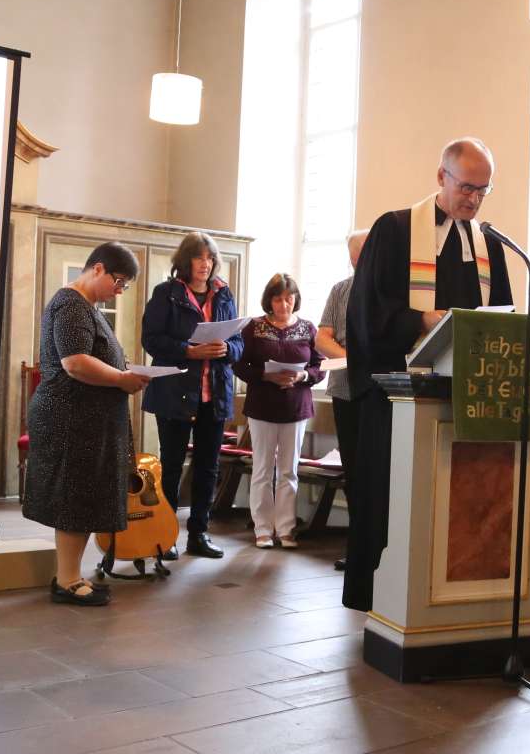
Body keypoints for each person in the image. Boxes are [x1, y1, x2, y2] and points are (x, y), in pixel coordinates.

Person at [341, 137, 514, 610]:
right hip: (398, 395)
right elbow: (366, 313)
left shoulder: (489, 245)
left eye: (484, 190)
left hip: (463, 398)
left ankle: (452, 594)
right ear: (442, 177)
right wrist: (420, 320)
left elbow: (498, 316)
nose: (474, 199)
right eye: (466, 187)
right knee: (393, 500)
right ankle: (383, 595)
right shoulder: (395, 231)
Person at [22, 243, 148, 606]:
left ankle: (71, 575)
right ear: (98, 269)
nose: (119, 290)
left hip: (86, 420)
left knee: (83, 497)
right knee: (74, 499)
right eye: (119, 281)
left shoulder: (85, 308)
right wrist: (123, 380)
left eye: (124, 285)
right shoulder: (70, 305)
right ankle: (67, 581)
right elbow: (75, 362)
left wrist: (124, 374)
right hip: (70, 418)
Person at [141, 232, 242, 560]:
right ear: (185, 262)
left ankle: (198, 533)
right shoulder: (165, 293)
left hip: (215, 394)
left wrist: (227, 348)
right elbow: (151, 340)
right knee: (171, 466)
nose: (205, 264)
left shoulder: (224, 295)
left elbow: (240, 344)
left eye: (210, 258)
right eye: (199, 258)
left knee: (208, 467)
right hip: (175, 391)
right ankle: (165, 534)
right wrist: (189, 351)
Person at [233, 274, 323, 548]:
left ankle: (285, 529)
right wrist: (265, 375)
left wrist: (302, 377)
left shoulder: (308, 328)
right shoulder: (254, 328)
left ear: (295, 299)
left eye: (289, 298)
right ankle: (262, 529)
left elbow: (319, 367)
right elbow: (238, 364)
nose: (284, 304)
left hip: (296, 407)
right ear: (269, 301)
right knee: (262, 468)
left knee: (288, 470)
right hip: (262, 406)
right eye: (278, 298)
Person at [315, 230, 370, 571]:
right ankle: (358, 546)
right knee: (353, 470)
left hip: (379, 390)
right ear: (351, 259)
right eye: (359, 255)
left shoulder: (392, 291)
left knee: (374, 470)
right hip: (345, 388)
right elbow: (322, 338)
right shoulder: (341, 290)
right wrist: (352, 359)